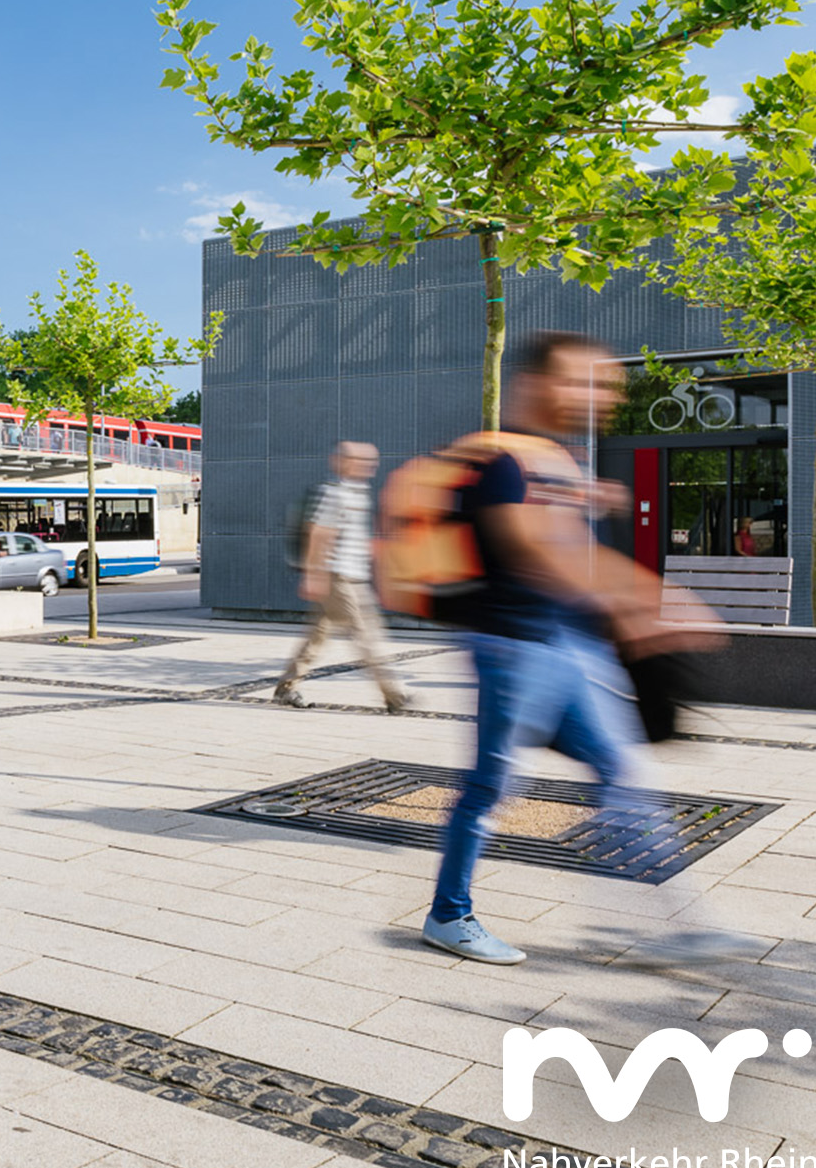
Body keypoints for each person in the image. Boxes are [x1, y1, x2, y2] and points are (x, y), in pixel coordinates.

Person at [423, 331, 714, 966]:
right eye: (586, 381)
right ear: (536, 384)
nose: (602, 394)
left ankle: (683, 922)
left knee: (620, 772)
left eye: (606, 383)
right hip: (511, 646)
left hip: (562, 644)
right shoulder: (503, 462)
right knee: (490, 786)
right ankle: (450, 916)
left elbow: (566, 547)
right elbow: (528, 549)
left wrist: (645, 597)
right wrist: (624, 601)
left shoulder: (551, 458)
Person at [274, 441, 407, 715]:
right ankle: (394, 696)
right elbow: (319, 534)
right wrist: (314, 575)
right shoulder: (334, 493)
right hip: (338, 577)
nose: (370, 466)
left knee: (317, 636)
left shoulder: (359, 492)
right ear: (344, 462)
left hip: (353, 576)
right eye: (363, 461)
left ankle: (286, 688)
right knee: (366, 634)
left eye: (372, 461)